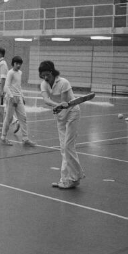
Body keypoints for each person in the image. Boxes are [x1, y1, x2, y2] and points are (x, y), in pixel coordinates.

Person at [39, 61, 85, 189]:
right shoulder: (44, 84)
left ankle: (72, 178)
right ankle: (67, 179)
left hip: (72, 113)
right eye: (43, 76)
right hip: (60, 115)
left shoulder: (64, 82)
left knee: (68, 146)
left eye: (47, 74)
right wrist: (56, 106)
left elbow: (65, 102)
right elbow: (46, 100)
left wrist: (60, 105)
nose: (46, 78)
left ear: (53, 72)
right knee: (63, 148)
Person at [0, 56, 35, 147]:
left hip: (18, 98)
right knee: (9, 118)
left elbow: (18, 86)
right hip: (11, 98)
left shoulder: (20, 72)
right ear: (13, 64)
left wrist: (22, 96)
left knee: (23, 117)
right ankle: (3, 137)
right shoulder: (10, 73)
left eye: (20, 64)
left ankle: (25, 138)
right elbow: (6, 87)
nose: (18, 65)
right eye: (17, 64)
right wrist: (12, 97)